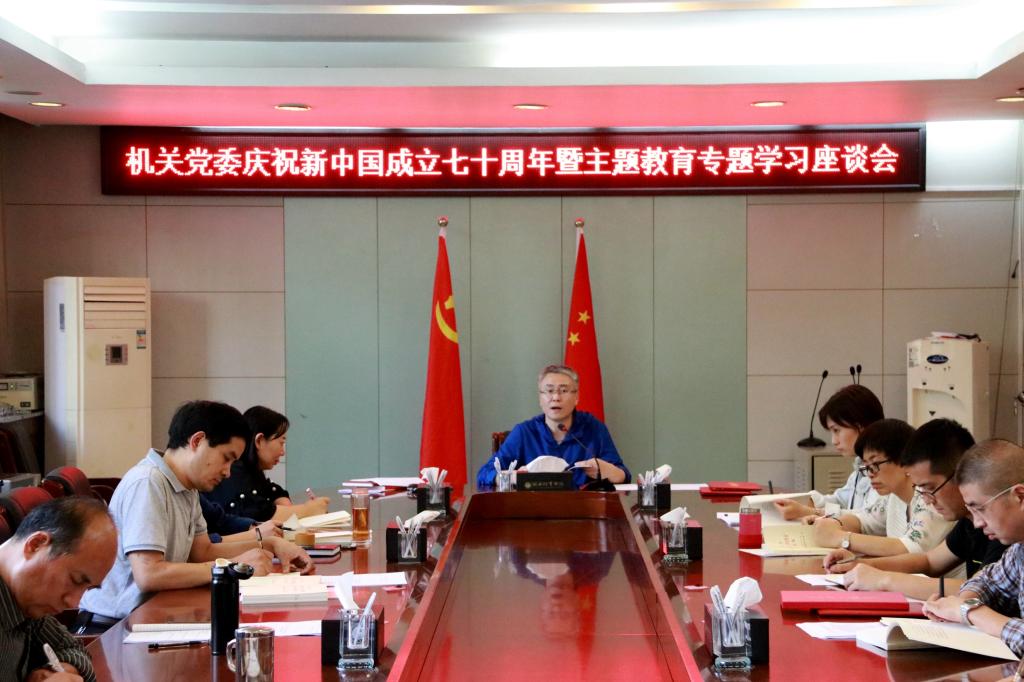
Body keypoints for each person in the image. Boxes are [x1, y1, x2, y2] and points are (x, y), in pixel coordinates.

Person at [78, 401, 313, 630]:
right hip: (113, 627)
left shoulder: (187, 487)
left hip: (153, 614)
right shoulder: (148, 483)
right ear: (197, 441)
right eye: (226, 458)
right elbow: (149, 574)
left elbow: (202, 552)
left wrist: (270, 544)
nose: (228, 472)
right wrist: (232, 567)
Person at [822, 419, 1007, 599]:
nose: (926, 500)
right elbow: (929, 561)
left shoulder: (1002, 526)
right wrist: (859, 565)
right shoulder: (969, 521)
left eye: (930, 488)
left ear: (961, 475)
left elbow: (981, 589)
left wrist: (884, 580)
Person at [922, 440, 1024, 656]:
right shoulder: (1019, 550)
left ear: (1020, 496)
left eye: (980, 509)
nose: (977, 523)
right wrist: (962, 602)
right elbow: (988, 581)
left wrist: (969, 612)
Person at [0, 497, 117, 682]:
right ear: (36, 544)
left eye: (88, 589)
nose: (74, 602)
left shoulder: (28, 602)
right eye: (75, 580)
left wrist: (58, 671)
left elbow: (74, 649)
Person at [810, 419, 953, 557]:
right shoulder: (893, 496)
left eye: (875, 464)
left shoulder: (930, 496)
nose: (870, 474)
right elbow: (865, 520)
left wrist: (841, 538)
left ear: (904, 460)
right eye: (867, 467)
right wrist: (834, 524)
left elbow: (912, 549)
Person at [476, 364, 630, 489]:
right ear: (540, 398)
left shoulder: (594, 428)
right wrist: (512, 477)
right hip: (533, 512)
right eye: (549, 391)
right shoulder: (524, 432)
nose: (556, 397)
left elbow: (623, 475)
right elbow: (485, 473)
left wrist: (609, 472)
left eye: (563, 391)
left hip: (583, 511)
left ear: (576, 397)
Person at [774, 384, 884, 520]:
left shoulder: (884, 470)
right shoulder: (861, 467)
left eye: (836, 430)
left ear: (860, 426)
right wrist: (808, 501)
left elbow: (870, 519)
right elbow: (841, 500)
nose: (834, 441)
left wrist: (811, 512)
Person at [203, 406, 329, 522]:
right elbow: (257, 514)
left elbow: (270, 490)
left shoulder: (252, 471)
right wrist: (307, 510)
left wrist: (281, 499)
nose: (282, 452)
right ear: (259, 441)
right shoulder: (235, 471)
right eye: (281, 443)